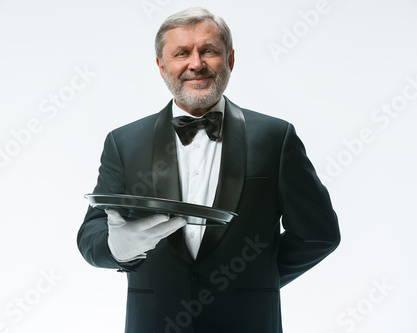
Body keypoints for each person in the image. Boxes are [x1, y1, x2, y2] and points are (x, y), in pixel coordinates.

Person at [77, 7, 340, 333]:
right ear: (161, 66)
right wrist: (117, 249)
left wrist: (255, 279)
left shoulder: (276, 137)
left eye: (209, 51)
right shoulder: (123, 142)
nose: (196, 63)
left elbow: (319, 233)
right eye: (181, 53)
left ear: (230, 60)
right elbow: (90, 236)